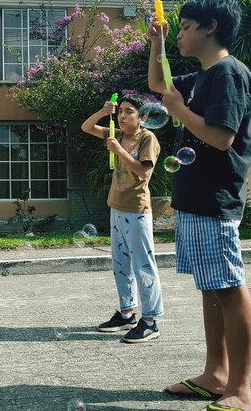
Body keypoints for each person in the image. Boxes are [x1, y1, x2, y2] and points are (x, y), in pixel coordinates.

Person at [146, 0, 251, 411]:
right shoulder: (203, 76)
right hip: (195, 198)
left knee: (228, 288)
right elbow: (160, 85)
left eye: (185, 27)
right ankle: (215, 375)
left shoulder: (228, 73)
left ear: (210, 26)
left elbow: (220, 137)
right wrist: (156, 42)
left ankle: (242, 390)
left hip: (215, 198)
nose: (179, 35)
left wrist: (178, 110)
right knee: (211, 289)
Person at [81, 93, 164, 343]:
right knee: (120, 265)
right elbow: (86, 127)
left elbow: (143, 171)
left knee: (143, 266)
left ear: (142, 117)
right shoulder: (116, 133)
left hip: (137, 211)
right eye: (121, 112)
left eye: (129, 111)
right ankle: (127, 313)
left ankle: (150, 321)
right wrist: (101, 111)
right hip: (116, 208)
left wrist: (119, 151)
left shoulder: (147, 138)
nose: (123, 116)